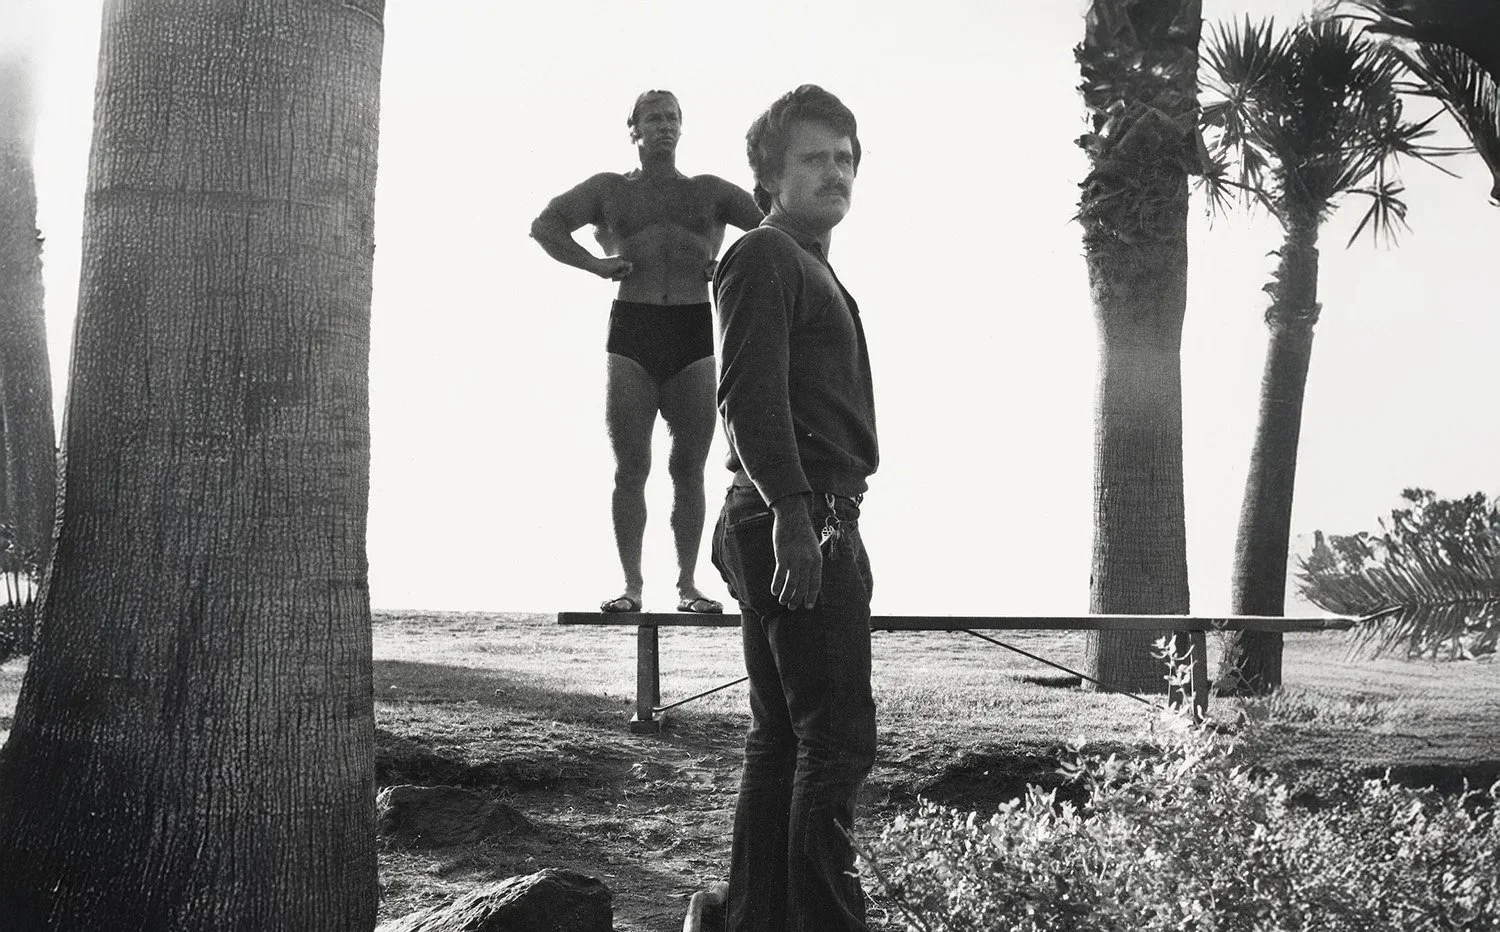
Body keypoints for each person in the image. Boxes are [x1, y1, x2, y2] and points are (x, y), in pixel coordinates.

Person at [710, 84, 877, 932]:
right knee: (835, 737)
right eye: (814, 158)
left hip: (797, 512)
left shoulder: (805, 260)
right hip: (796, 515)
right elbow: (747, 398)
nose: (836, 172)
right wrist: (792, 516)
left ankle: (755, 920)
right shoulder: (765, 257)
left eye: (845, 158)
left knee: (782, 737)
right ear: (769, 175)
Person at [531, 90, 762, 614]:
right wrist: (594, 265)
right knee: (630, 466)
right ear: (632, 128)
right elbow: (544, 224)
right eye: (653, 118)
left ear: (683, 128)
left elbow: (777, 225)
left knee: (690, 466)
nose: (665, 126)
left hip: (693, 330)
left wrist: (726, 262)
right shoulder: (609, 189)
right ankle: (632, 587)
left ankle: (687, 585)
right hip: (632, 328)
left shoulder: (709, 192)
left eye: (673, 118)